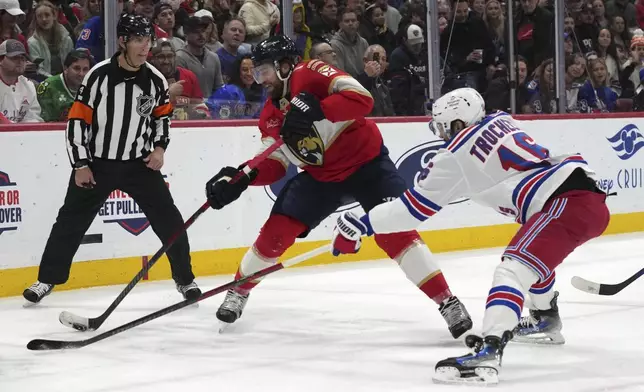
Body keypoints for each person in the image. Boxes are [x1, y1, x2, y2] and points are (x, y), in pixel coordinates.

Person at [331, 88, 609, 385]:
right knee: (532, 259)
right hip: (580, 197)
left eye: (442, 126)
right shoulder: (501, 120)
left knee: (511, 270)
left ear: (457, 124)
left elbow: (412, 210)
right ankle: (545, 318)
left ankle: (489, 350)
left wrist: (362, 223)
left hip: (565, 203)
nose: (440, 134)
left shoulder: (454, 155)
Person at [204, 35, 472, 339]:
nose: (260, 80)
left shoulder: (312, 72)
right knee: (277, 231)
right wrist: (244, 178)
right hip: (322, 176)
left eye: (264, 71)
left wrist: (319, 107)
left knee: (395, 233)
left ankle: (446, 300)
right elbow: (275, 162)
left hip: (368, 165)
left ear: (284, 66)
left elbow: (363, 100)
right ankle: (239, 290)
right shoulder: (270, 114)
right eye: (256, 74)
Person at [23, 14, 201, 304]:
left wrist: (159, 149)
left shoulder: (155, 79)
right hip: (98, 164)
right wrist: (81, 164)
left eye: (149, 40)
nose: (146, 47)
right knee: (70, 222)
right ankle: (46, 280)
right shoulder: (98, 76)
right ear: (122, 42)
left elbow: (162, 119)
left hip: (139, 165)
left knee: (170, 221)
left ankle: (185, 280)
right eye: (139, 40)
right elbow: (77, 121)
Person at [37, 48, 94, 122]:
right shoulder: (48, 87)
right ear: (65, 69)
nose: (81, 74)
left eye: (85, 69)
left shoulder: (92, 86)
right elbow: (45, 124)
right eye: (77, 68)